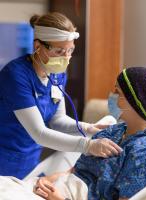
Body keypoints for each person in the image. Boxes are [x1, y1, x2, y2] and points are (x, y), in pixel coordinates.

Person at [0, 12, 122, 179]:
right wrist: (88, 145)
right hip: (4, 156)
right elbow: (39, 132)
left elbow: (58, 120)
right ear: (38, 47)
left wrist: (87, 128)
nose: (66, 58)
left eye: (70, 50)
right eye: (59, 51)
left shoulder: (56, 74)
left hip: (30, 158)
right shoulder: (15, 75)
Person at [33, 66, 146, 200]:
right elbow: (73, 171)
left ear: (134, 104)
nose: (111, 96)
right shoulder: (112, 131)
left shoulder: (144, 152)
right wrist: (44, 180)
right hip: (57, 187)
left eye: (117, 92)